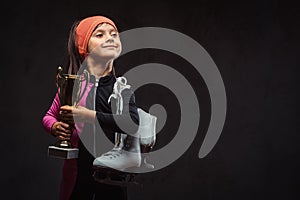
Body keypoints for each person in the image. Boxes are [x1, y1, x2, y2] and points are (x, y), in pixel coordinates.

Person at [42, 15, 140, 200]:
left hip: (111, 175)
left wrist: (89, 116)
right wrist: (55, 127)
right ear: (83, 47)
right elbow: (48, 116)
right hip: (78, 172)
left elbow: (132, 123)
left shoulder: (121, 89)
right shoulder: (73, 87)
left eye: (114, 34)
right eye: (100, 34)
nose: (109, 38)